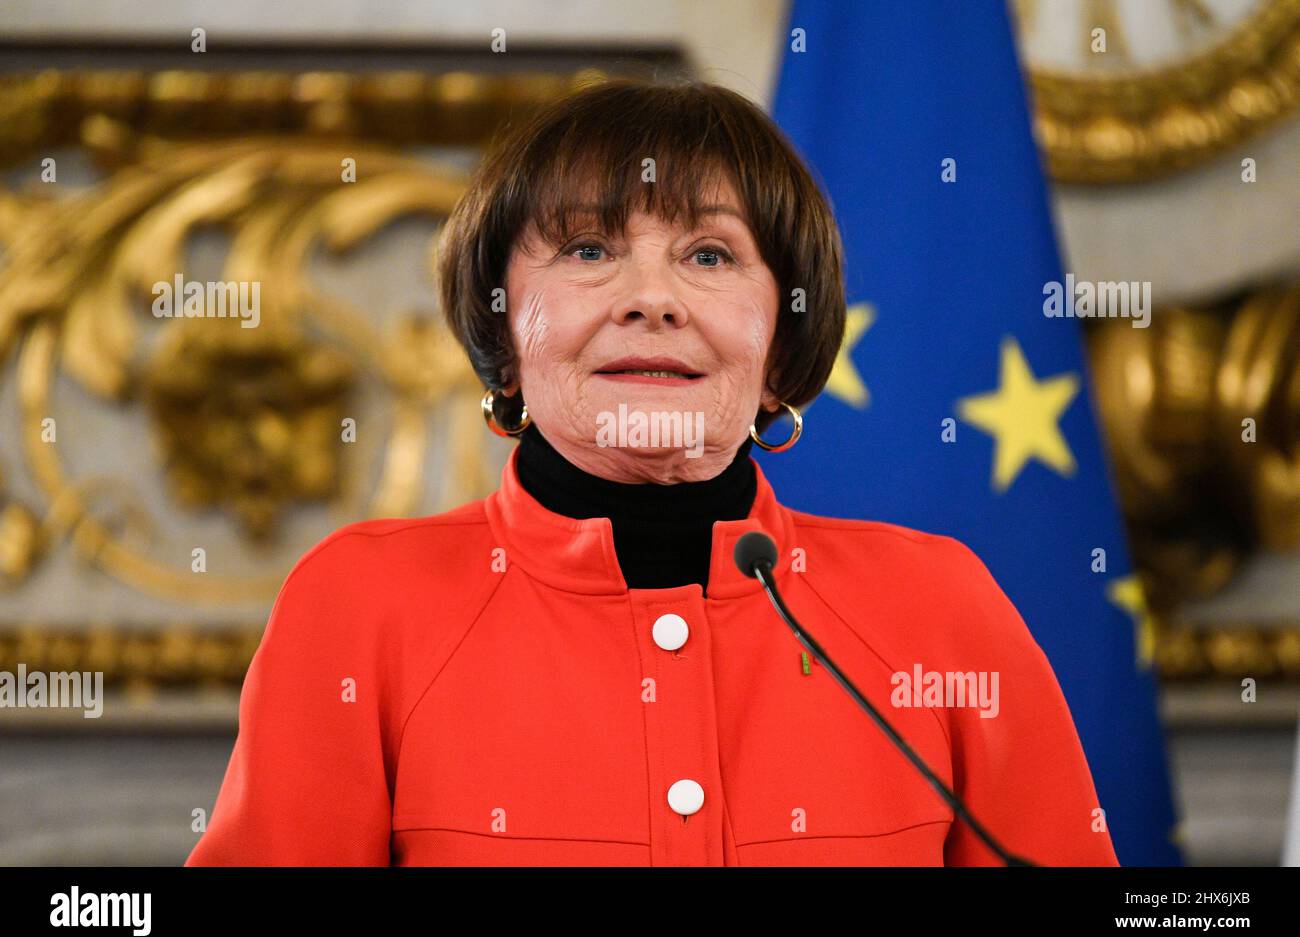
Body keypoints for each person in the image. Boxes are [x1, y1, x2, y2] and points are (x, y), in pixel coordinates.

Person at [186, 77, 1118, 866]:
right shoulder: (357, 606)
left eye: (709, 255)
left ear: (783, 349)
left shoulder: (938, 608)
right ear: (505, 333)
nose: (652, 300)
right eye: (588, 250)